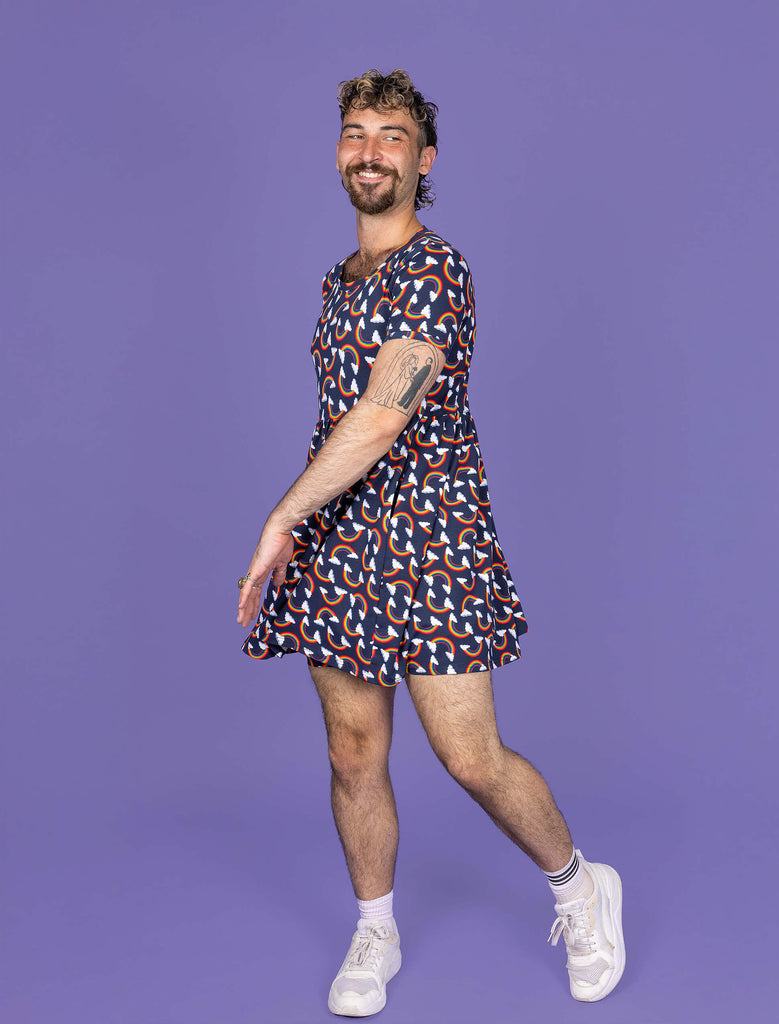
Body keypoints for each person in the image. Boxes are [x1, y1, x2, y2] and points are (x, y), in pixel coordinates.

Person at [237, 68, 625, 1016]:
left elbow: (380, 416)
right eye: (355, 133)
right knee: (351, 752)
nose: (370, 151)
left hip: (431, 538)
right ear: (339, 152)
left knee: (469, 758)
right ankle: (375, 928)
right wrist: (311, 522)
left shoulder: (435, 271)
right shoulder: (339, 280)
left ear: (425, 159)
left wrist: (280, 517)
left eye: (392, 136)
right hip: (341, 540)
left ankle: (581, 888)